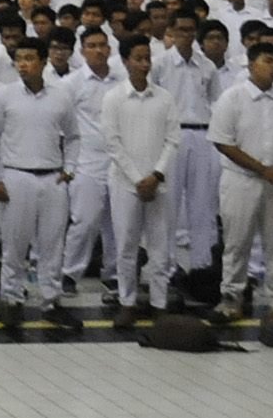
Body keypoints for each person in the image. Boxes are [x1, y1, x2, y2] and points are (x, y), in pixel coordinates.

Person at [0, 35, 78, 332]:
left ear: (43, 61)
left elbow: (74, 136)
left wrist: (70, 168)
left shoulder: (61, 95)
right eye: (18, 59)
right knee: (14, 244)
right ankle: (11, 300)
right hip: (16, 175)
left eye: (28, 59)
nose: (22, 65)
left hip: (52, 176)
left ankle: (51, 302)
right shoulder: (4, 96)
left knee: (53, 245)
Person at [208, 39, 273, 318]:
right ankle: (232, 297)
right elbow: (223, 142)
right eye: (268, 61)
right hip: (241, 181)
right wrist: (263, 170)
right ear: (251, 64)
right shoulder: (233, 97)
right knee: (238, 242)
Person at [99, 34, 177, 327]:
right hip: (125, 183)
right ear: (125, 61)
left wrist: (155, 175)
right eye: (138, 58)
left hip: (158, 182)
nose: (144, 64)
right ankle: (127, 302)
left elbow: (173, 140)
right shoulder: (114, 98)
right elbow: (113, 143)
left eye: (147, 58)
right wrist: (137, 179)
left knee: (159, 247)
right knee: (127, 246)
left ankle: (159, 303)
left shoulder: (165, 98)